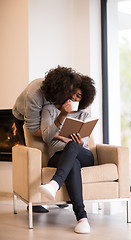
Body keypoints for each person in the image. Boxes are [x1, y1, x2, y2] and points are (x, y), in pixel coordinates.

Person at [12, 66, 81, 213]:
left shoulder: (58, 91)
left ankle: (57, 192)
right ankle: (35, 201)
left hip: (45, 112)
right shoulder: (34, 96)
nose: (71, 96)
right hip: (24, 117)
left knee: (58, 152)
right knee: (35, 155)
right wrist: (59, 136)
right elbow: (34, 130)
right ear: (58, 94)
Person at [39, 74, 96, 233]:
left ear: (83, 99)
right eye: (72, 92)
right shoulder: (49, 110)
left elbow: (85, 142)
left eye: (79, 96)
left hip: (82, 154)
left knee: (73, 146)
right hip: (58, 157)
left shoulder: (83, 114)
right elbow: (46, 137)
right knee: (73, 163)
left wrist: (78, 142)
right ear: (65, 91)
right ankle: (82, 218)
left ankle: (54, 184)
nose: (74, 97)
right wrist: (62, 114)